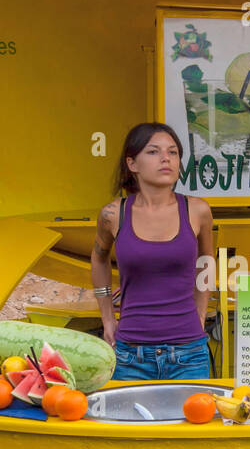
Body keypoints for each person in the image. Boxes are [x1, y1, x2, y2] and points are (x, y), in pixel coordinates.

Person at [90, 123, 214, 381]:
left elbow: (206, 261)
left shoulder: (198, 210)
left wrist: (201, 313)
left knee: (191, 422)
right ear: (132, 164)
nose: (166, 158)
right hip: (129, 355)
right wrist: (107, 318)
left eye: (173, 152)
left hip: (189, 354)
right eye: (153, 152)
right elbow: (99, 258)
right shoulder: (113, 214)